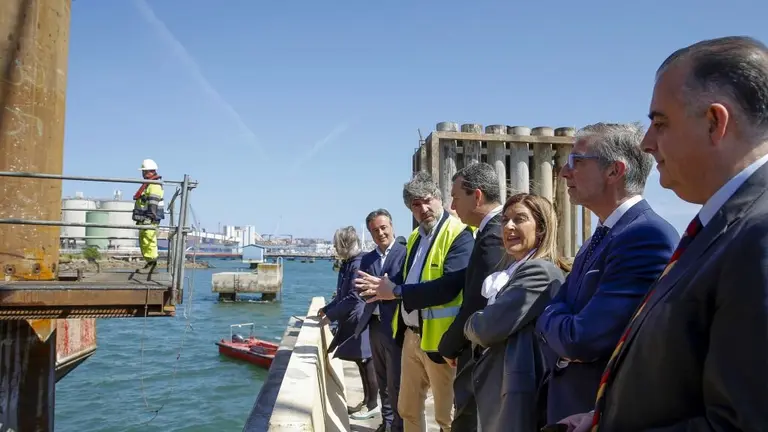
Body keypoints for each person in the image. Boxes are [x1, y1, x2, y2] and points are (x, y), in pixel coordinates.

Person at [557, 36, 768, 432]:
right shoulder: (722, 227)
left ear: (715, 123)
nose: (646, 144)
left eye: (660, 123)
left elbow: (744, 423)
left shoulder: (759, 234)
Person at [534, 122, 679, 424]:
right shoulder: (599, 238)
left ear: (614, 171)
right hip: (569, 408)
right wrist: (556, 321)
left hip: (600, 413)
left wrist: (552, 323)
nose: (564, 172)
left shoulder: (645, 236)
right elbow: (557, 312)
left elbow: (584, 339)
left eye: (576, 161)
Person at [355, 172, 474, 432]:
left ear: (440, 199)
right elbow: (405, 279)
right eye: (415, 205)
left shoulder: (459, 234)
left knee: (448, 417)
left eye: (426, 201)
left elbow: (449, 288)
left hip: (442, 343)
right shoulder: (415, 238)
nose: (422, 209)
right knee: (407, 409)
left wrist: (396, 291)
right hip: (411, 337)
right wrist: (381, 287)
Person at [464, 193, 568, 432]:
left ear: (541, 228)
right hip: (500, 388)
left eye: (520, 219)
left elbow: (486, 329)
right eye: (505, 220)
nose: (509, 226)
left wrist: (470, 322)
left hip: (516, 393)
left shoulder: (540, 272)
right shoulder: (513, 270)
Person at [440, 163, 505, 431]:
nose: (453, 207)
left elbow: (477, 303)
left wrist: (449, 345)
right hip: (479, 346)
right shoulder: (491, 231)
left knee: (467, 419)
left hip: (480, 350)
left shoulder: (494, 235)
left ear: (477, 196)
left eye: (456, 197)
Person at [353, 209, 407, 431]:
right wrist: (374, 289)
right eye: (375, 230)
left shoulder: (405, 253)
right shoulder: (367, 258)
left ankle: (399, 425)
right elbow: (360, 290)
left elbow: (404, 287)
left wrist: (382, 288)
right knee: (382, 378)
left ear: (392, 226)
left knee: (397, 381)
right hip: (374, 326)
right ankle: (387, 423)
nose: (380, 233)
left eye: (383, 227)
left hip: (396, 326)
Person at [318, 226, 379, 420]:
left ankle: (372, 404)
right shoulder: (349, 263)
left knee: (366, 361)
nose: (335, 248)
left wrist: (330, 316)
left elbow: (353, 297)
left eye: (337, 244)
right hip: (353, 319)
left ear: (345, 244)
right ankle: (367, 401)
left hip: (360, 319)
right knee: (361, 362)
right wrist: (327, 309)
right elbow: (342, 294)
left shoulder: (357, 263)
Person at [132, 159, 165, 276]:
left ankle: (152, 265)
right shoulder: (149, 184)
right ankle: (149, 263)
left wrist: (150, 217)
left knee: (149, 240)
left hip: (149, 218)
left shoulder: (154, 185)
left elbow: (153, 202)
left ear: (149, 172)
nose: (142, 174)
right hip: (145, 217)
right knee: (144, 240)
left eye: (144, 171)